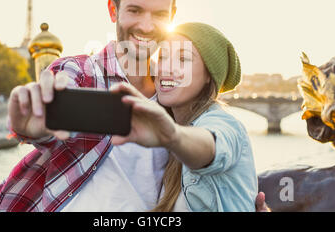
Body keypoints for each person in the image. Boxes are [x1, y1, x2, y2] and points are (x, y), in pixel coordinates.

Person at [0, 0, 267, 212]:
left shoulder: (174, 100)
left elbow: (214, 153)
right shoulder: (80, 73)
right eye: (135, 10)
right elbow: (49, 118)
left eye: (159, 15)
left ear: (172, 17)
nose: (146, 25)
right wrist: (34, 127)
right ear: (113, 11)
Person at [109, 22, 258, 211]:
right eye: (162, 57)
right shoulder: (166, 131)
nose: (166, 69)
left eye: (183, 59)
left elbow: (213, 144)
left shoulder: (223, 123)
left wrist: (172, 136)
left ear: (208, 76)